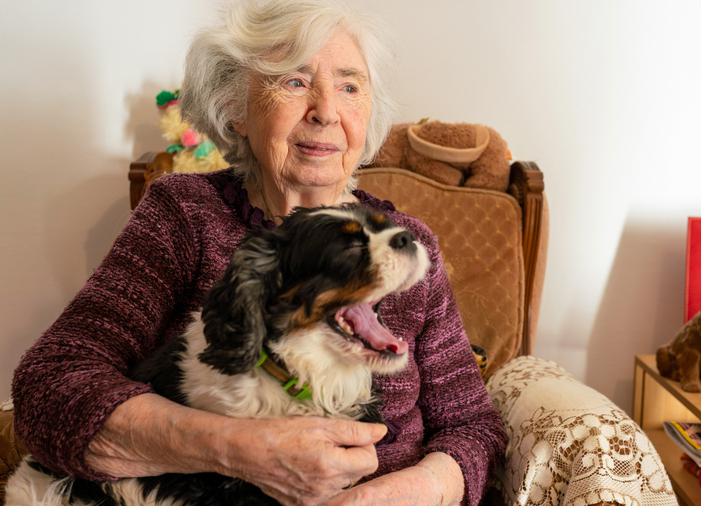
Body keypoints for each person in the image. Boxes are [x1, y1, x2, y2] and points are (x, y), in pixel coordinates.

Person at [11, 2, 507, 505]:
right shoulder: (185, 214)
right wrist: (242, 449)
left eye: (350, 86)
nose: (327, 111)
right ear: (234, 108)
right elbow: (51, 386)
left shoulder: (408, 243)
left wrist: (391, 495)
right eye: (294, 81)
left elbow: (473, 427)